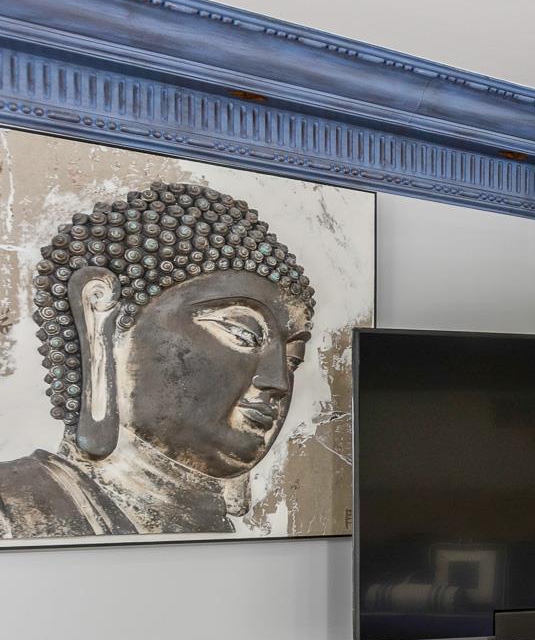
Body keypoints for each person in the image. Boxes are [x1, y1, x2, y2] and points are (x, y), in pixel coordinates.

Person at [0, 182, 315, 539]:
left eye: (294, 358)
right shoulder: (15, 510)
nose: (278, 382)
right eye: (242, 334)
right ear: (101, 321)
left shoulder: (232, 538)